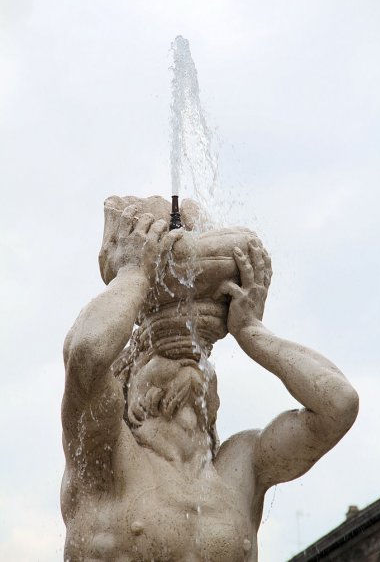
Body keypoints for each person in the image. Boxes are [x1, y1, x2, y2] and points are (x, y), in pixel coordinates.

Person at [61, 198, 359, 562]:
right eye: (164, 358)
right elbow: (88, 354)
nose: (192, 368)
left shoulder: (239, 469)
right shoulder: (106, 457)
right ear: (129, 381)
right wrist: (132, 273)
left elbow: (339, 404)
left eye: (200, 362)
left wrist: (252, 332)